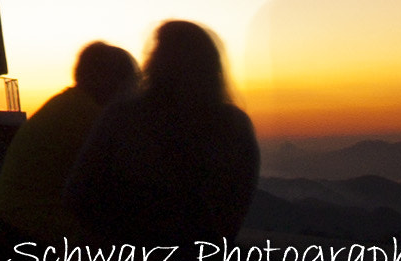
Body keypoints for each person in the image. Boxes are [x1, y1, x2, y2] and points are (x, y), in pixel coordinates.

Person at [65, 21, 259, 246]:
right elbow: (235, 208)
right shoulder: (235, 126)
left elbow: (76, 194)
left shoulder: (123, 116)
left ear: (155, 64)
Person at [0, 41, 138, 238]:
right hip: (31, 228)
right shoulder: (88, 117)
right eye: (128, 80)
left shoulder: (67, 104)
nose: (131, 89)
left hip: (9, 219)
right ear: (106, 78)